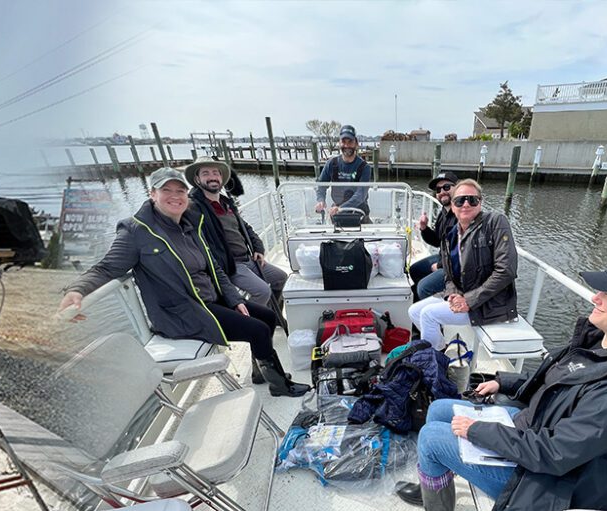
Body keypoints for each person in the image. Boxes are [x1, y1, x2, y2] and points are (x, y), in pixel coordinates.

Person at [396, 257, 607, 511]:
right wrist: (505, 382)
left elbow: (555, 453)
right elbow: (558, 384)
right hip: (536, 438)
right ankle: (432, 487)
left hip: (548, 490)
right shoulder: (604, 342)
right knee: (441, 409)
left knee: (431, 437)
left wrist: (479, 431)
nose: (595, 297)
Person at [61, 168, 310, 397]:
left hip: (210, 299)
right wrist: (77, 290)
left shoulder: (189, 226)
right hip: (184, 312)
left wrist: (234, 299)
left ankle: (259, 373)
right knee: (256, 330)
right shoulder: (136, 231)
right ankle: (279, 385)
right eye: (166, 190)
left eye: (180, 191)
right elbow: (107, 267)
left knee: (265, 316)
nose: (175, 196)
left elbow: (214, 268)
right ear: (152, 194)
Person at [406, 180, 518, 347]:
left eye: (472, 200)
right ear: (453, 204)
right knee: (414, 311)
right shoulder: (451, 235)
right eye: (460, 200)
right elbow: (449, 276)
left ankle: (431, 360)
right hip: (464, 297)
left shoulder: (495, 222)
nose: (465, 204)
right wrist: (452, 294)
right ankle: (439, 352)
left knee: (428, 314)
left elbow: (506, 271)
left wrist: (468, 300)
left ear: (480, 202)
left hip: (489, 304)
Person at [184, 159, 287, 310]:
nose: (212, 177)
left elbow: (245, 227)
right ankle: (254, 321)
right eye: (205, 173)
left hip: (249, 258)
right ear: (197, 179)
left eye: (216, 173)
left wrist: (258, 247)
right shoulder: (194, 207)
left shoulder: (227, 203)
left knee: (280, 277)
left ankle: (272, 314)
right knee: (262, 291)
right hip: (231, 265)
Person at [409, 172, 461, 298]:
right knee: (414, 270)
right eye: (438, 189)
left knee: (423, 288)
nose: (442, 191)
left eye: (446, 187)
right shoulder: (444, 212)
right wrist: (424, 228)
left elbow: (461, 252)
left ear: (458, 188)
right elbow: (437, 241)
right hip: (443, 257)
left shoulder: (462, 213)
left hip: (457, 266)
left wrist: (439, 266)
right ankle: (416, 306)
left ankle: (435, 312)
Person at [314, 126, 375, 227]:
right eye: (344, 141)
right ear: (339, 143)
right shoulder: (331, 164)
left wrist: (341, 208)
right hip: (337, 213)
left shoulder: (365, 167)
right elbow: (321, 185)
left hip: (359, 213)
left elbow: (360, 195)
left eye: (350, 141)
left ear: (356, 143)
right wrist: (321, 200)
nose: (347, 145)